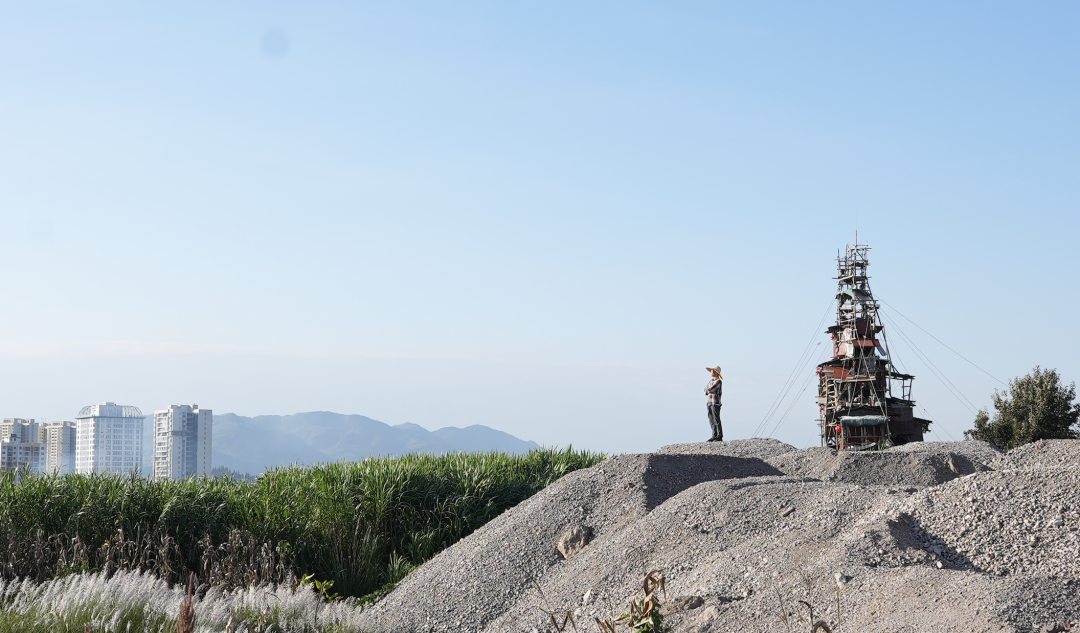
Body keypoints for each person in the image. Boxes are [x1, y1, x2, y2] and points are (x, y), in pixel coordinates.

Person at [705, 366, 723, 442]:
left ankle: (719, 436)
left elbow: (710, 389)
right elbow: (705, 391)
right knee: (711, 419)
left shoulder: (718, 381)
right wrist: (708, 390)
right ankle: (714, 435)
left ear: (715, 372)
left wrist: (708, 390)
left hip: (715, 402)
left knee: (716, 419)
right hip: (709, 402)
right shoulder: (710, 381)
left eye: (712, 371)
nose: (711, 372)